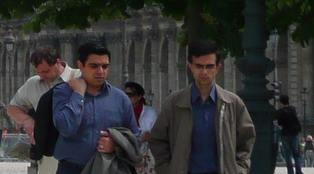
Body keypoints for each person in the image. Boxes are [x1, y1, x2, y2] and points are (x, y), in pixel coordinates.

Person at [147, 39, 254, 174]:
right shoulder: (174, 103)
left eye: (209, 66)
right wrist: (167, 170)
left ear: (218, 68)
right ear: (190, 66)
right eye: (199, 66)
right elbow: (158, 140)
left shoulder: (232, 103)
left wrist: (239, 170)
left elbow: (246, 141)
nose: (204, 72)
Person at [51, 42, 138, 174]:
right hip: (71, 169)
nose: (100, 71)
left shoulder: (120, 99)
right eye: (94, 66)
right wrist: (78, 94)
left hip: (108, 168)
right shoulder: (63, 93)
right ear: (81, 65)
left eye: (105, 66)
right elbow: (66, 128)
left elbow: (135, 137)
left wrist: (116, 145)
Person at [7, 49, 69, 174]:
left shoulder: (78, 77)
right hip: (47, 151)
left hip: (73, 150)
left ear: (58, 62)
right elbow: (12, 108)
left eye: (46, 71)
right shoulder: (33, 83)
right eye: (38, 72)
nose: (42, 75)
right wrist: (27, 120)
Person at [123, 84, 157, 174]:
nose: (128, 97)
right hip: (127, 154)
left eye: (132, 95)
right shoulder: (122, 111)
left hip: (145, 155)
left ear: (139, 96)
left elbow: (156, 134)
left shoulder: (150, 113)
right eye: (126, 94)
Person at [272, 95, 300, 174]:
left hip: (285, 134)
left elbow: (280, 124)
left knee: (288, 155)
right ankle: (298, 171)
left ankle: (290, 172)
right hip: (294, 134)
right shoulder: (293, 109)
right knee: (296, 155)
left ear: (281, 103)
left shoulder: (280, 112)